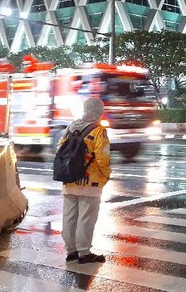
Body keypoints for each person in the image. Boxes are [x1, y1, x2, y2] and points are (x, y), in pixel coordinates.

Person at [61, 98, 111, 264]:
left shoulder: (71, 126)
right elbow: (102, 158)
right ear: (99, 111)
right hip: (90, 182)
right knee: (86, 217)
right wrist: (105, 175)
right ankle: (84, 253)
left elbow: (60, 148)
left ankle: (71, 251)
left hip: (69, 179)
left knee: (69, 217)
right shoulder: (99, 131)